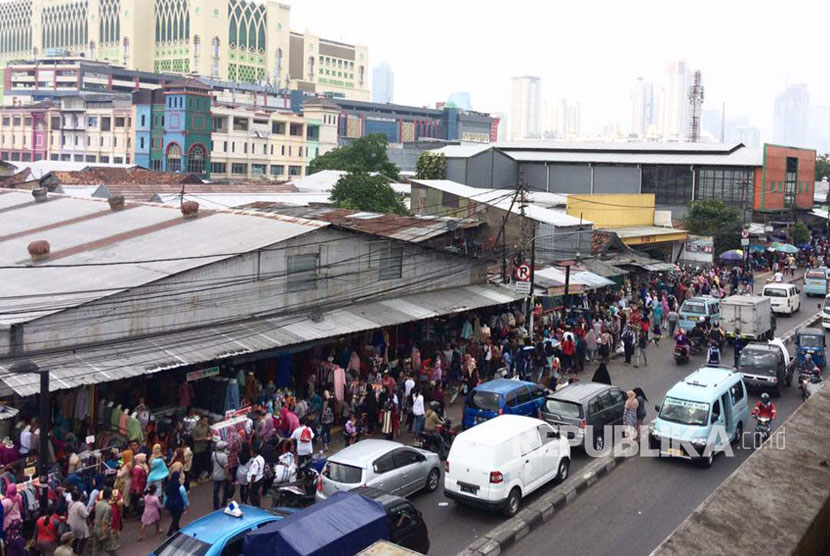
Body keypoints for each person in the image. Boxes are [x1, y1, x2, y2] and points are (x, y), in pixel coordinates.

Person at [92, 487, 118, 556]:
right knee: (111, 548)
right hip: (103, 529)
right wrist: (105, 533)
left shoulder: (98, 503)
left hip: (96, 527)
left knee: (96, 548)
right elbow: (105, 522)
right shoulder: (108, 507)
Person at [164, 472, 189, 536]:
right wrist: (187, 504)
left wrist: (164, 504)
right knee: (176, 518)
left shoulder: (168, 487)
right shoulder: (181, 487)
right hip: (178, 505)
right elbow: (184, 497)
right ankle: (170, 532)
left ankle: (177, 528)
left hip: (170, 504)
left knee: (175, 517)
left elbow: (165, 496)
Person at [67, 490, 89, 555]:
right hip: (79, 524)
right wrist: (89, 511)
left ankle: (73, 551)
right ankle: (79, 553)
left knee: (74, 538)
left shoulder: (70, 503)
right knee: (84, 538)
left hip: (71, 523)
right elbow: (85, 515)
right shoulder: (80, 505)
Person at [211, 441, 231, 510]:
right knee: (225, 490)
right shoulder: (224, 456)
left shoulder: (214, 454)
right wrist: (228, 476)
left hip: (215, 475)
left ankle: (215, 506)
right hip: (222, 476)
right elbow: (226, 468)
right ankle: (223, 504)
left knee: (215, 491)